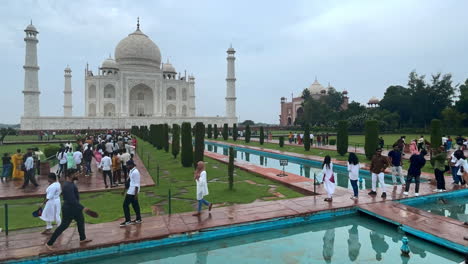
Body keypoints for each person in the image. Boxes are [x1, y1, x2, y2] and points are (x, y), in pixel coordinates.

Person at [45, 174, 92, 250]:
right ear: (69, 176)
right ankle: (49, 243)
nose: (77, 175)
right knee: (64, 225)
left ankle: (82, 239)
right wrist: (83, 208)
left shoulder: (71, 184)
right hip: (69, 209)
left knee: (80, 221)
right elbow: (72, 200)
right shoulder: (67, 186)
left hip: (75, 208)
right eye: (75, 174)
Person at [120, 160, 142, 226]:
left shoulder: (136, 172)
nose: (127, 166)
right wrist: (124, 190)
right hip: (130, 190)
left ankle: (128, 220)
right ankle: (138, 219)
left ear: (131, 165)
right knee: (135, 205)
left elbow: (137, 184)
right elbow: (128, 181)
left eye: (128, 165)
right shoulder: (131, 171)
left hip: (132, 191)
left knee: (125, 205)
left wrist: (136, 195)